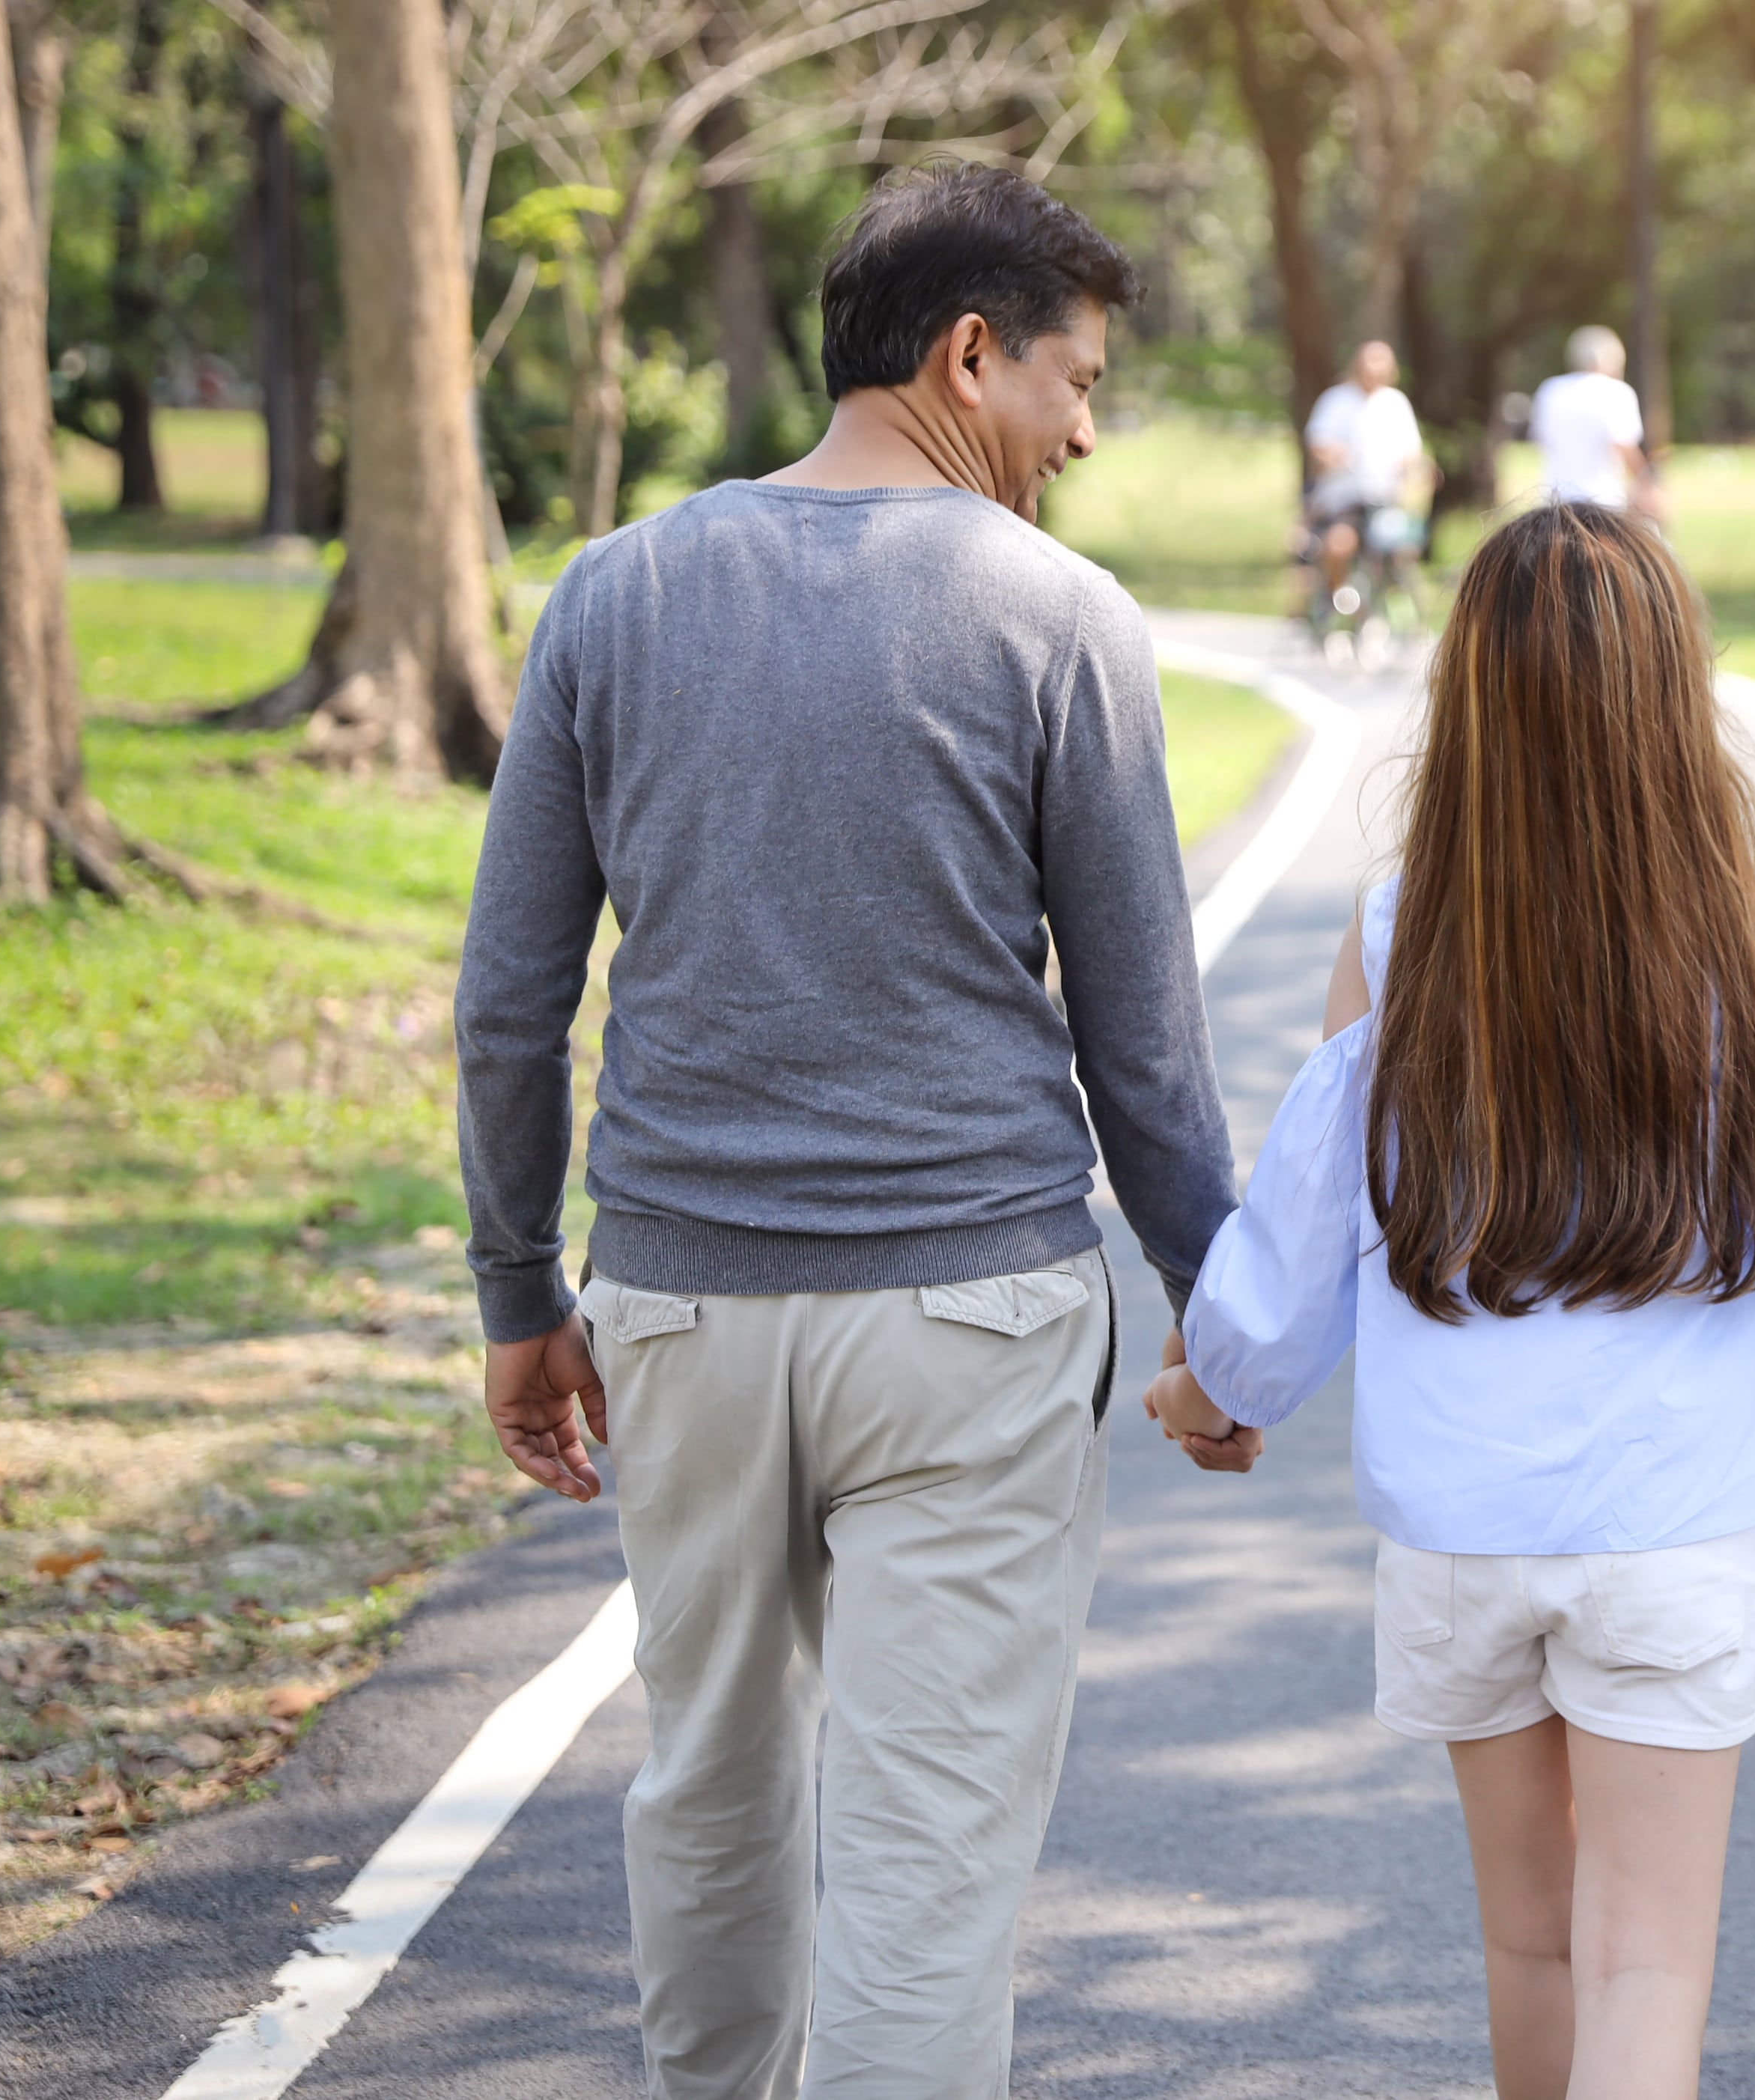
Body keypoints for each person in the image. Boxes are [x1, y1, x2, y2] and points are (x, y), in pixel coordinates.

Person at [1144, 505, 1755, 2100]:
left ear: (1464, 709)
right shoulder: (1732, 955)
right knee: (1646, 1958)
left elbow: (1294, 1247)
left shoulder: (1396, 943)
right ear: (1678, 710)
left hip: (1459, 1529)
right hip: (1672, 1527)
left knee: (1527, 1941)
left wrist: (1204, 1396)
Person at [457, 162, 1248, 2100]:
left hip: (683, 1317)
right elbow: (1142, 1048)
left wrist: (514, 1293)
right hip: (972, 1327)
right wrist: (1224, 1315)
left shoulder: (615, 594)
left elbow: (508, 999)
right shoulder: (1062, 619)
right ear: (968, 354)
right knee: (927, 1856)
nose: (1083, 432)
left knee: (709, 1795)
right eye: (1075, 382)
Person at [1298, 338, 1429, 613]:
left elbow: (1411, 451)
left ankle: (1389, 609)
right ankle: (1337, 598)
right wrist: (1332, 456)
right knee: (1339, 544)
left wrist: (1414, 469)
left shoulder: (1395, 403)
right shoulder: (1336, 400)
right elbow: (1317, 443)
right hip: (1344, 497)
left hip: (1384, 497)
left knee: (1399, 550)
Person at [1527, 325, 1652, 514]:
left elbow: (1540, 440)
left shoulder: (1549, 390)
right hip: (1603, 503)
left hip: (1555, 501)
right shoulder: (1618, 392)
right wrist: (1647, 481)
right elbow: (1625, 447)